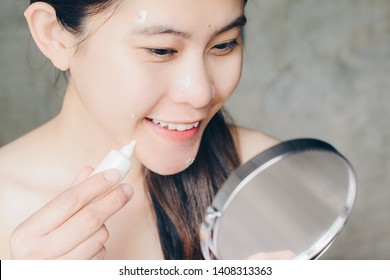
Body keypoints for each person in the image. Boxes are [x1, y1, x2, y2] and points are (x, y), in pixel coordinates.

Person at [0, 0, 278, 260]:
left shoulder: (274, 180)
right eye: (161, 50)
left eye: (224, 45)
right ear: (54, 36)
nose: (201, 94)